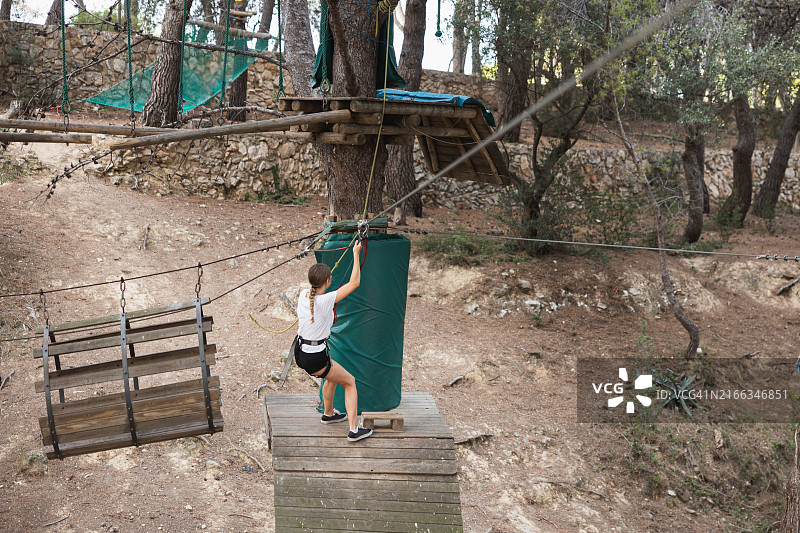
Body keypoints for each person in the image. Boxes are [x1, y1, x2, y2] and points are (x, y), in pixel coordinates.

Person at [294, 241, 373, 442]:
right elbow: (354, 283)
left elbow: (317, 289)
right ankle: (354, 430)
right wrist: (356, 253)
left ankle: (329, 414)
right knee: (350, 382)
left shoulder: (303, 295)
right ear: (328, 281)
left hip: (301, 353)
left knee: (330, 376)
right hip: (315, 357)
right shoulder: (325, 300)